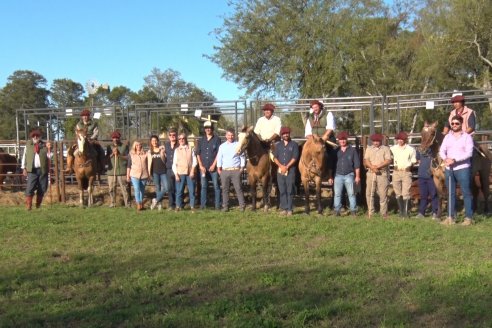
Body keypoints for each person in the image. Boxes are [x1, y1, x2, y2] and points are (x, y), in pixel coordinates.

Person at [439, 115, 474, 225]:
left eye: (456, 123)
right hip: (449, 169)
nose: (454, 125)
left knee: (466, 193)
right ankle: (450, 217)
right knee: (450, 193)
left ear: (461, 124)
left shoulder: (467, 137)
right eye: (452, 123)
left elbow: (469, 153)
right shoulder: (447, 137)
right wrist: (445, 159)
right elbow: (441, 150)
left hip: (462, 168)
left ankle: (468, 218)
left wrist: (455, 160)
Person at [328, 131, 360, 216]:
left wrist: (357, 176)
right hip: (338, 175)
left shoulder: (352, 150)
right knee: (337, 194)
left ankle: (353, 211)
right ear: (338, 140)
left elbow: (357, 164)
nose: (342, 141)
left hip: (349, 175)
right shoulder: (335, 151)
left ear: (347, 140)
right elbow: (331, 165)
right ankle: (337, 211)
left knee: (351, 194)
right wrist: (330, 177)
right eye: (341, 140)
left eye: (344, 139)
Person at [65, 109, 105, 174]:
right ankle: (69, 167)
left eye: (86, 115)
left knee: (101, 151)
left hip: (91, 140)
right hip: (80, 140)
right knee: (69, 150)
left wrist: (90, 138)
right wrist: (80, 138)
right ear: (82, 117)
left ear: (89, 116)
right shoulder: (78, 124)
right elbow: (76, 132)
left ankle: (102, 167)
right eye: (83, 116)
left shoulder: (94, 124)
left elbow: (96, 133)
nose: (85, 117)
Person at [21, 129, 52, 210]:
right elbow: (24, 156)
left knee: (42, 188)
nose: (35, 137)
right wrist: (24, 167)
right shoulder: (28, 145)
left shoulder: (45, 145)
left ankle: (38, 205)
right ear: (32, 137)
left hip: (42, 170)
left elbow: (49, 157)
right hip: (32, 170)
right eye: (34, 136)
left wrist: (49, 149)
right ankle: (29, 206)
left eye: (37, 136)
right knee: (30, 188)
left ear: (40, 137)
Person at [217, 128, 246, 212]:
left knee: (238, 188)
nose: (230, 137)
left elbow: (242, 157)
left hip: (235, 170)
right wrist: (219, 168)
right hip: (225, 170)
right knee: (225, 189)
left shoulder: (238, 145)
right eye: (229, 135)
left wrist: (242, 167)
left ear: (234, 136)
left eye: (232, 135)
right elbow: (219, 158)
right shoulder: (222, 146)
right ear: (226, 136)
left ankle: (242, 205)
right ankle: (225, 206)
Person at [363, 133, 392, 218]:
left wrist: (377, 166)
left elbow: (388, 160)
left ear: (381, 141)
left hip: (382, 173)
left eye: (377, 141)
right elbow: (366, 160)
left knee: (383, 194)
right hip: (371, 173)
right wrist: (372, 167)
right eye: (374, 141)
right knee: (369, 193)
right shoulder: (369, 149)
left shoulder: (386, 149)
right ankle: (370, 212)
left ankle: (383, 213)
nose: (376, 143)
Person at [273, 126, 299, 216]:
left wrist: (287, 166)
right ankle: (284, 208)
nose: (286, 135)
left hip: (291, 170)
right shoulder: (278, 145)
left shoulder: (294, 145)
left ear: (289, 134)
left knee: (290, 189)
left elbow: (295, 157)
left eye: (287, 133)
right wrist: (281, 166)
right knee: (282, 189)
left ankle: (290, 208)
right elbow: (275, 157)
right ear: (281, 135)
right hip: (280, 171)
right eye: (284, 133)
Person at [390, 131, 417, 217]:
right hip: (396, 171)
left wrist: (409, 166)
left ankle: (406, 212)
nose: (400, 141)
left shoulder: (411, 149)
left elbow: (413, 161)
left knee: (406, 192)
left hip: (406, 171)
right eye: (398, 139)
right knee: (397, 192)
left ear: (405, 140)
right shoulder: (393, 148)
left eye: (402, 139)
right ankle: (401, 211)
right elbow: (389, 158)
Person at [196, 121, 222, 210]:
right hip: (203, 168)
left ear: (212, 129)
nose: (208, 129)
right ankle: (203, 206)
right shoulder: (201, 140)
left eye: (209, 127)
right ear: (204, 129)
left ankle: (217, 205)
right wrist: (200, 166)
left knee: (216, 186)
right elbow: (198, 153)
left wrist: (214, 164)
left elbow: (219, 153)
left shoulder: (217, 139)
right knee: (203, 186)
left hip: (213, 168)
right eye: (206, 128)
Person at [172, 133, 197, 212]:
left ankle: (192, 206)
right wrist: (176, 174)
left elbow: (194, 161)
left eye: (183, 138)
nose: (181, 140)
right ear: (178, 140)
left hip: (190, 173)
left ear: (185, 139)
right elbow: (174, 163)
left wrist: (192, 170)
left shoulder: (190, 148)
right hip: (180, 173)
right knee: (179, 191)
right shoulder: (176, 150)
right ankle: (178, 206)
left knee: (192, 190)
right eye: (180, 139)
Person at [106, 131, 129, 208]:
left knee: (124, 189)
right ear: (112, 139)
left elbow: (127, 158)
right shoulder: (109, 147)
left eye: (116, 138)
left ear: (119, 138)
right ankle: (113, 202)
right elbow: (106, 158)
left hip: (122, 171)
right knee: (111, 188)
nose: (115, 139)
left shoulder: (124, 146)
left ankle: (127, 203)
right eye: (113, 138)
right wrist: (112, 154)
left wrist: (119, 155)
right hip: (112, 172)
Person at [416, 144, 439, 220]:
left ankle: (435, 212)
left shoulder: (434, 149)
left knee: (434, 195)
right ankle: (421, 213)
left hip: (432, 176)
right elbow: (419, 160)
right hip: (422, 175)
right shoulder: (419, 149)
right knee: (423, 195)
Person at [126, 140, 149, 211]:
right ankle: (138, 203)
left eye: (140, 145)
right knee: (137, 189)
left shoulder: (145, 154)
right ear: (134, 146)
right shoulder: (131, 154)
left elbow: (148, 164)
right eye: (137, 145)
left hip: (144, 175)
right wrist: (128, 175)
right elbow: (129, 165)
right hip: (134, 174)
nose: (138, 146)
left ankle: (141, 203)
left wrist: (149, 174)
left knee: (142, 190)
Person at [148, 135, 167, 211]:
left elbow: (165, 158)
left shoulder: (162, 149)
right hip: (155, 172)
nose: (154, 142)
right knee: (158, 188)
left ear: (158, 141)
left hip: (163, 171)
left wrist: (163, 150)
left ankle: (155, 200)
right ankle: (159, 205)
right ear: (151, 142)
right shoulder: (149, 152)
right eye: (153, 141)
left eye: (155, 140)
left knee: (166, 187)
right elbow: (148, 163)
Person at [164, 128, 179, 210]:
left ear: (176, 136)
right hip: (169, 169)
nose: (172, 136)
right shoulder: (166, 145)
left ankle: (178, 204)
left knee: (178, 187)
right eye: (171, 135)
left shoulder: (179, 144)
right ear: (168, 136)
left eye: (174, 135)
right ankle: (171, 204)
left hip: (177, 169)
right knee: (170, 188)